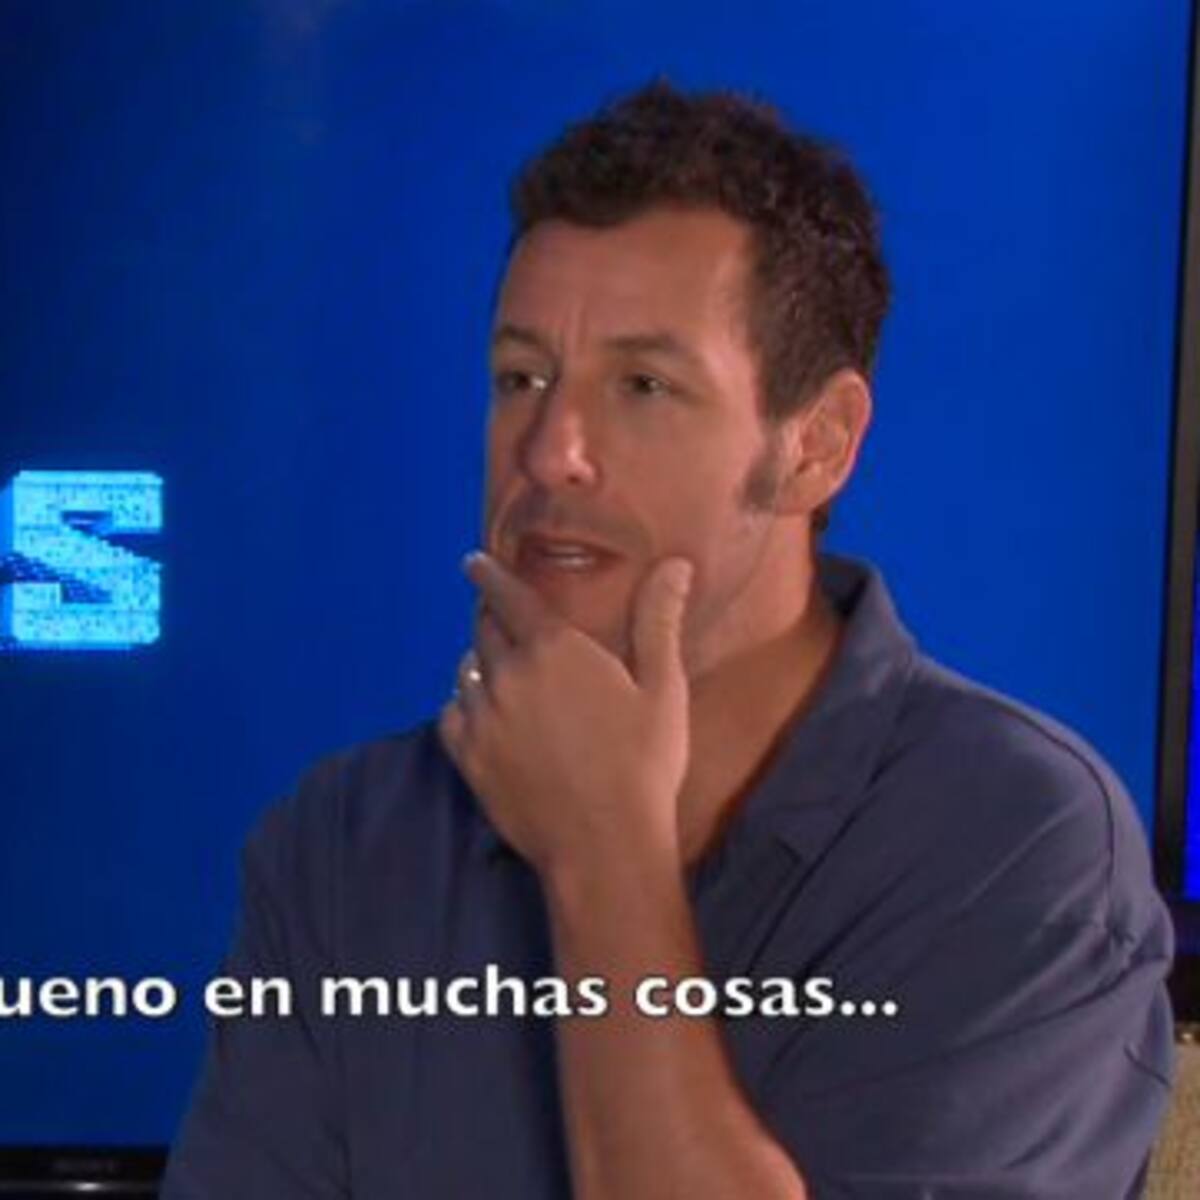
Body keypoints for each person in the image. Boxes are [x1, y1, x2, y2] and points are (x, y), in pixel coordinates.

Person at [161, 79, 1175, 1199]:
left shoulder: (1016, 846)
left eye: (643, 385)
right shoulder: (346, 845)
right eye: (521, 378)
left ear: (818, 444)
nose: (549, 452)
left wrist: (602, 853)